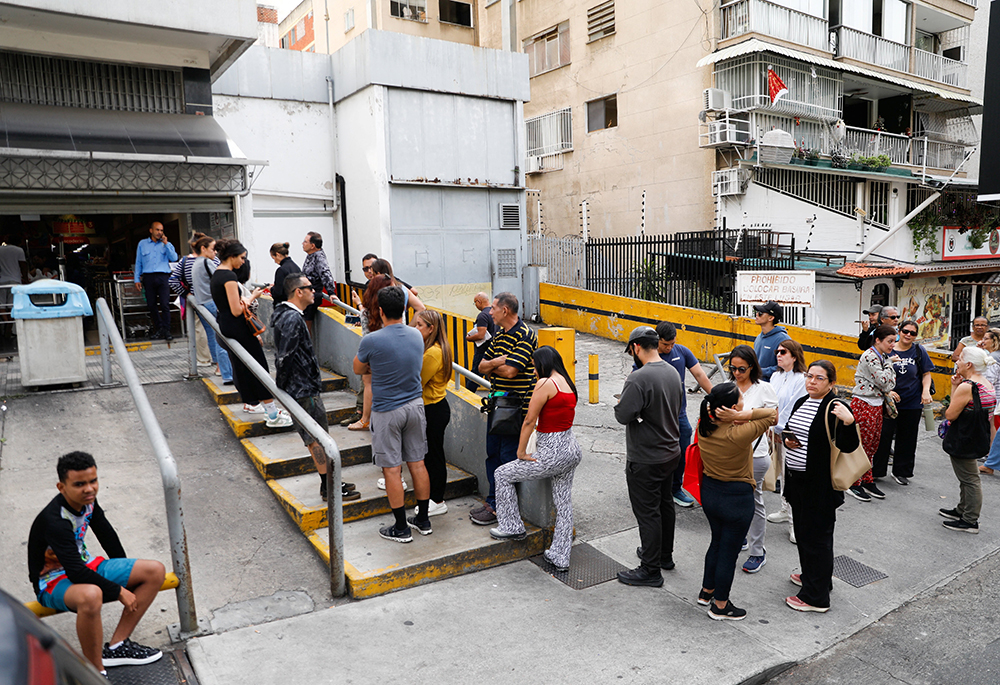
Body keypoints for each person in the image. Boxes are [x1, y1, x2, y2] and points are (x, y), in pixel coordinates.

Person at [28, 451, 166, 675]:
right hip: (52, 582)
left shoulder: (88, 502)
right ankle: (95, 671)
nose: (89, 489)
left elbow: (106, 535)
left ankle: (117, 646)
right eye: (79, 484)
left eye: (93, 481)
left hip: (85, 565)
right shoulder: (56, 520)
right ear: (61, 487)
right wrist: (119, 590)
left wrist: (125, 570)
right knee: (91, 595)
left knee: (154, 571)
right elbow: (75, 573)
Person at [490, 346, 583, 572]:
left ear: (542, 363)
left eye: (534, 365)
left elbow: (529, 420)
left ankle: (512, 525)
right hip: (571, 449)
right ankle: (560, 555)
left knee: (501, 474)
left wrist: (521, 453)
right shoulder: (568, 383)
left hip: (551, 451)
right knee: (563, 504)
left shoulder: (545, 384)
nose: (533, 371)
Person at [272, 272, 359, 504]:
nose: (314, 291)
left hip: (302, 388)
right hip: (302, 390)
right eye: (310, 287)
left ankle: (328, 483)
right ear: (298, 292)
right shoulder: (291, 318)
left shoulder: (287, 314)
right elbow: (285, 357)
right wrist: (282, 386)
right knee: (317, 439)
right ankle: (329, 486)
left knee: (318, 437)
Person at [353, 286, 431, 542]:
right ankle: (423, 519)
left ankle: (401, 527)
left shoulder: (372, 340)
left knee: (391, 470)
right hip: (415, 406)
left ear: (381, 311)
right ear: (405, 309)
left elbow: (357, 368)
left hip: (387, 410)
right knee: (418, 463)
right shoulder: (416, 336)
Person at [782, 360, 859, 613]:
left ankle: (816, 598)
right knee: (805, 535)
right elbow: (798, 433)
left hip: (819, 486)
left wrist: (849, 423)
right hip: (798, 481)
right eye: (809, 376)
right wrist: (788, 441)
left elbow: (848, 447)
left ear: (831, 383)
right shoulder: (803, 401)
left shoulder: (834, 407)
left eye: (819, 378)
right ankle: (815, 578)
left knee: (817, 538)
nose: (811, 382)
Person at [696, 383, 776, 620]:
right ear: (732, 408)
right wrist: (743, 415)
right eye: (742, 399)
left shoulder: (705, 427)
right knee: (729, 553)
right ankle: (720, 605)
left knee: (717, 543)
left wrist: (735, 416)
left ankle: (706, 591)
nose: (745, 401)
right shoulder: (739, 432)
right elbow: (772, 415)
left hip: (710, 492)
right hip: (736, 498)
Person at [614, 326, 684, 587]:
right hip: (670, 451)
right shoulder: (672, 372)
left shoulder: (638, 378)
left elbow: (623, 415)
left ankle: (650, 569)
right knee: (665, 505)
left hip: (646, 456)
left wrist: (621, 403)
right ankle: (664, 556)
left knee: (648, 513)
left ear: (635, 347)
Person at [473, 292, 538, 526]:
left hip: (515, 407)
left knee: (508, 458)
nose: (490, 312)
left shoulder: (526, 335)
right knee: (493, 455)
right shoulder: (500, 334)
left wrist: (497, 365)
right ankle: (493, 502)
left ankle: (502, 508)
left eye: (493, 309)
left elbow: (512, 372)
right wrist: (499, 361)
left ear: (505, 311)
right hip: (497, 404)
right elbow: (482, 366)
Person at [211, 240, 291, 428]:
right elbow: (237, 309)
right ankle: (272, 413)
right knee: (259, 367)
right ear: (232, 257)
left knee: (245, 368)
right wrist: (252, 297)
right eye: (241, 258)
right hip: (237, 327)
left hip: (226, 325)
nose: (243, 262)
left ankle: (266, 409)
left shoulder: (217, 274)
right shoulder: (229, 276)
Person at [646, 322, 713, 508]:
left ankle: (675, 489)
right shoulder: (649, 356)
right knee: (657, 454)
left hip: (679, 414)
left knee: (683, 450)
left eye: (671, 344)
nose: (669, 348)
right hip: (657, 416)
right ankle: (655, 489)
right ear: (656, 340)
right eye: (665, 344)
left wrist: (715, 397)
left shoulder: (682, 352)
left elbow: (700, 375)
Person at [726, 345, 778, 573]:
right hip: (730, 453)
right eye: (733, 368)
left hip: (755, 454)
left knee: (753, 501)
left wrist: (744, 417)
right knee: (733, 500)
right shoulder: (728, 388)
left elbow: (774, 419)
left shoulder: (764, 389)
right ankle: (742, 539)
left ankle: (758, 551)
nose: (737, 373)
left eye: (742, 369)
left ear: (752, 367)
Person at [940, 347, 996, 533]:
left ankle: (970, 520)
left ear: (969, 364)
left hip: (963, 437)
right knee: (966, 477)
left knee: (970, 479)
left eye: (961, 358)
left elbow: (950, 414)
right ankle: (961, 510)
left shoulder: (968, 387)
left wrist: (956, 386)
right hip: (976, 436)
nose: (957, 361)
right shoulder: (986, 384)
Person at [872, 319, 932, 486]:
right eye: (905, 331)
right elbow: (875, 374)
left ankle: (901, 472)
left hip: (912, 401)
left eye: (912, 333)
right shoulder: (887, 350)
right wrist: (887, 391)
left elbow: (926, 374)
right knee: (883, 436)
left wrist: (925, 391)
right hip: (888, 402)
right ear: (899, 331)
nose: (908, 335)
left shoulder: (919, 351)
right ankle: (877, 470)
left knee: (907, 438)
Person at [848, 325, 897, 502]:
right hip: (865, 403)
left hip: (875, 403)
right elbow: (885, 382)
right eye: (889, 341)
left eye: (894, 341)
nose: (892, 345)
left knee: (873, 444)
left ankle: (866, 478)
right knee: (863, 444)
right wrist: (891, 365)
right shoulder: (870, 356)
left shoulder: (881, 356)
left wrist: (888, 367)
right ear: (878, 340)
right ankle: (853, 481)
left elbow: (887, 383)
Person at [766, 339, 809, 540]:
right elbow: (770, 402)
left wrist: (778, 428)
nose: (779, 354)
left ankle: (796, 523)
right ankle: (785, 509)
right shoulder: (776, 376)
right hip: (773, 430)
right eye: (777, 351)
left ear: (794, 355)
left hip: (789, 432)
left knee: (791, 476)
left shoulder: (802, 379)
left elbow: (793, 406)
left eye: (783, 352)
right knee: (781, 473)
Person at [413, 309, 453, 516]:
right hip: (434, 407)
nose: (415, 328)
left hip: (433, 409)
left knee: (434, 456)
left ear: (431, 328)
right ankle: (432, 497)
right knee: (431, 454)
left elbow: (417, 381)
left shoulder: (433, 353)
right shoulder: (434, 349)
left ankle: (437, 499)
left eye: (420, 325)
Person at [349, 274, 395, 433]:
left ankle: (365, 419)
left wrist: (359, 304)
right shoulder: (393, 308)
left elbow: (366, 330)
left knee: (369, 384)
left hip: (372, 352)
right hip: (392, 352)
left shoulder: (367, 314)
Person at [190, 236, 233, 386]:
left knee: (212, 337)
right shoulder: (207, 262)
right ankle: (227, 373)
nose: (215, 252)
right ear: (203, 248)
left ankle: (221, 368)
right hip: (212, 303)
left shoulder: (195, 263)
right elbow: (219, 279)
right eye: (213, 248)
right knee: (222, 338)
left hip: (201, 304)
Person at [343, 253, 380, 426]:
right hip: (370, 339)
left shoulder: (386, 286)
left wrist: (359, 306)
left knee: (368, 379)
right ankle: (362, 414)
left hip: (377, 341)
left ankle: (365, 418)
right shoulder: (369, 286)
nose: (369, 271)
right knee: (365, 379)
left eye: (371, 267)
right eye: (365, 269)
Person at [169, 232, 212, 367]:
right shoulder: (212, 260)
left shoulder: (185, 261)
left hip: (196, 300)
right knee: (216, 329)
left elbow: (173, 281)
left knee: (199, 330)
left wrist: (187, 294)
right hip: (213, 299)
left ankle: (203, 359)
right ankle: (217, 360)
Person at [134, 221, 178, 340]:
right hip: (148, 277)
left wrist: (166, 244)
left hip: (163, 276)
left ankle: (167, 330)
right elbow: (138, 262)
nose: (159, 232)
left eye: (161, 230)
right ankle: (159, 329)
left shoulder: (166, 244)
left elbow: (174, 258)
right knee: (151, 305)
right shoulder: (142, 244)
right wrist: (136, 279)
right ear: (151, 230)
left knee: (165, 304)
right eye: (157, 230)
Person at [301, 232, 340, 336]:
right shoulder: (311, 255)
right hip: (305, 294)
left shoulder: (319, 257)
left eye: (305, 241)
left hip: (312, 295)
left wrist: (331, 292)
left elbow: (325, 273)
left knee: (306, 326)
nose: (302, 243)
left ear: (313, 245)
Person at [464, 292, 496, 390]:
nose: (476, 306)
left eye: (475, 303)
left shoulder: (482, 315)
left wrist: (468, 338)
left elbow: (481, 335)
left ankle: (467, 397)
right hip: (494, 349)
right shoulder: (494, 313)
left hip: (483, 350)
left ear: (479, 301)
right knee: (493, 375)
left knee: (475, 375)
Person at [752, 301, 791, 381]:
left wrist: (760, 371)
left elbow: (787, 366)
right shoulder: (759, 337)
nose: (757, 315)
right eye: (756, 312)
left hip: (773, 387)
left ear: (771, 318)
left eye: (760, 313)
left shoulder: (783, 339)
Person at [0, 232, 27, 336]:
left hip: (1, 281)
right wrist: (25, 279)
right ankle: (9, 327)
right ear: (19, 242)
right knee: (12, 305)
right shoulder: (19, 250)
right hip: (15, 281)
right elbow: (23, 266)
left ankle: (6, 322)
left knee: (1, 304)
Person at [269, 242, 300, 307]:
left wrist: (272, 289)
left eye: (273, 258)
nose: (274, 261)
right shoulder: (296, 267)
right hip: (297, 304)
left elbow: (278, 293)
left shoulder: (281, 270)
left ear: (278, 255)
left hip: (284, 306)